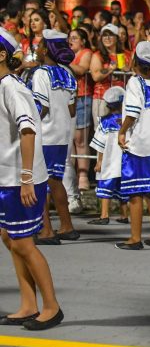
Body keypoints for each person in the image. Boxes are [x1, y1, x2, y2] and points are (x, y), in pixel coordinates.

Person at [0, 28, 64, 330]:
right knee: (10, 239)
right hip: (6, 177)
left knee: (24, 243)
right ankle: (28, 304)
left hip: (19, 178)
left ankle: (52, 306)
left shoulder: (13, 88)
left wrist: (27, 178)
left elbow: (28, 130)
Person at [116, 41, 150, 250]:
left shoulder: (134, 83)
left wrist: (121, 132)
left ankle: (135, 238)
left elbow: (132, 112)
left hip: (138, 144)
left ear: (135, 61)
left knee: (135, 192)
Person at [31, 30, 79, 244]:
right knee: (56, 181)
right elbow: (72, 110)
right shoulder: (68, 73)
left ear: (47, 49)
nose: (37, 49)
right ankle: (67, 226)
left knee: (40, 182)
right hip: (62, 134)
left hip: (46, 135)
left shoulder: (41, 73)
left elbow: (41, 107)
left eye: (40, 46)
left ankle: (47, 231)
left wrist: (28, 122)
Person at [88, 87, 129, 225]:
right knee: (122, 187)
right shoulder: (128, 121)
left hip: (110, 160)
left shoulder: (105, 122)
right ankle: (124, 215)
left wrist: (99, 161)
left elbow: (100, 144)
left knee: (106, 185)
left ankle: (104, 215)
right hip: (125, 161)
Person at [68, 27, 94, 191]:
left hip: (82, 97)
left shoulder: (86, 53)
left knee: (80, 139)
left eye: (75, 38)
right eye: (70, 38)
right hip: (67, 98)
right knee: (69, 138)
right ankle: (69, 174)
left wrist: (64, 61)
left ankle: (83, 175)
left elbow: (81, 69)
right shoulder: (67, 54)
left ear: (83, 41)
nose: (71, 40)